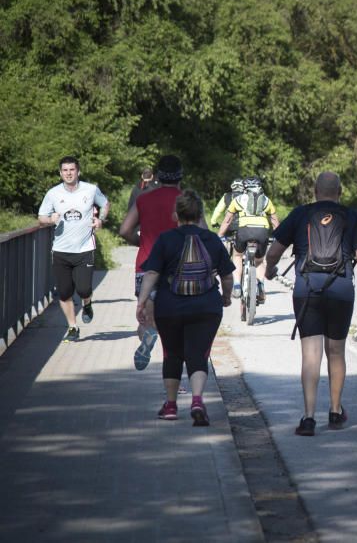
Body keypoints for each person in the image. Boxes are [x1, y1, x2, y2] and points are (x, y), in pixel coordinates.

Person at [263, 172, 357, 436]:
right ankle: (335, 411)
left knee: (311, 355)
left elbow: (274, 251)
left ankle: (308, 417)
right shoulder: (351, 216)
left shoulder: (300, 214)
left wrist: (269, 269)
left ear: (314, 191)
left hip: (307, 289)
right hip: (341, 289)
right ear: (340, 191)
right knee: (336, 351)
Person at [137, 190, 234, 426]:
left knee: (172, 353)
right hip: (206, 306)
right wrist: (227, 298)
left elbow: (151, 273)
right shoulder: (211, 239)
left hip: (169, 306)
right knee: (198, 354)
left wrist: (141, 303)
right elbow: (227, 276)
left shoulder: (166, 239)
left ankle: (170, 406)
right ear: (200, 214)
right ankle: (198, 400)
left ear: (175, 215)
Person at [119, 155, 187, 369]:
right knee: (176, 320)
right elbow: (201, 232)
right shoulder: (185, 199)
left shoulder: (144, 198)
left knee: (146, 318)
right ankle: (173, 367)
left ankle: (148, 335)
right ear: (180, 176)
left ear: (157, 176)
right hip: (178, 267)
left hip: (146, 265)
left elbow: (124, 230)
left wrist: (141, 242)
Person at [37, 156, 110, 342]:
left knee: (84, 289)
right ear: (60, 173)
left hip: (85, 249)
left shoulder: (91, 189)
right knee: (64, 292)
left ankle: (87, 303)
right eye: (65, 170)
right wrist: (50, 219)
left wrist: (100, 219)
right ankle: (72, 326)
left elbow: (105, 204)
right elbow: (41, 217)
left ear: (78, 171)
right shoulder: (53, 193)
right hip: (61, 250)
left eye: (72, 170)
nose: (69, 173)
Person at [217, 176, 280, 303]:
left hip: (244, 231)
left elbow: (227, 220)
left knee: (238, 256)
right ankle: (261, 286)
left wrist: (219, 235)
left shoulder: (238, 199)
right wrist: (278, 238)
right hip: (262, 232)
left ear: (244, 188)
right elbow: (275, 222)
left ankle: (236, 285)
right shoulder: (266, 200)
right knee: (259, 261)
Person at [210, 178, 244, 244]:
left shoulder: (226, 196)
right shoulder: (247, 197)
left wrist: (213, 222)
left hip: (229, 225)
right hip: (243, 226)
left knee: (221, 239)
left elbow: (218, 210)